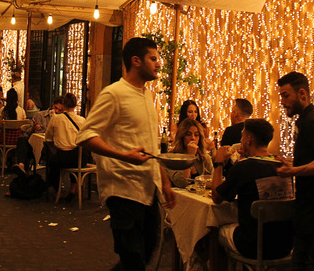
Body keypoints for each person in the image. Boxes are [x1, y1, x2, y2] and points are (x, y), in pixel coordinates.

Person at [77, 37, 176, 270]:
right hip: (122, 188)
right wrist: (123, 155)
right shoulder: (114, 94)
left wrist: (165, 181)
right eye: (153, 58)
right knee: (133, 258)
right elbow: (85, 135)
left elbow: (151, 145)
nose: (159, 64)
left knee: (148, 249)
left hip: (148, 189)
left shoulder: (148, 96)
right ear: (136, 61)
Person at [275, 71, 314, 271]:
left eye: (286, 95)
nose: (283, 102)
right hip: (313, 203)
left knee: (303, 262)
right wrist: (293, 164)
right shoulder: (305, 120)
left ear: (302, 93)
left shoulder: (312, 122)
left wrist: (294, 170)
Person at [211, 119, 294, 260]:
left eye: (242, 136)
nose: (241, 140)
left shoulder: (244, 167)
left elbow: (217, 197)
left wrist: (218, 162)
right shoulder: (283, 165)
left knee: (214, 229)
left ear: (249, 139)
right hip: (286, 245)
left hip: (253, 246)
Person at [44, 93, 86, 198]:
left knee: (52, 163)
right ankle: (73, 187)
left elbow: (48, 138)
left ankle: (57, 189)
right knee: (78, 155)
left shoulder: (56, 119)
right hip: (79, 158)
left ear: (64, 104)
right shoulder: (82, 120)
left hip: (62, 157)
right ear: (75, 105)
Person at [12, 97, 64, 173]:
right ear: (53, 105)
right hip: (35, 145)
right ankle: (21, 165)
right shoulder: (40, 115)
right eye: (55, 108)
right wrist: (33, 129)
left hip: (51, 148)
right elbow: (26, 134)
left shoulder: (63, 120)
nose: (56, 111)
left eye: (60, 110)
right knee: (22, 140)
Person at [166, 118, 213, 188]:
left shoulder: (205, 157)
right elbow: (180, 183)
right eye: (188, 134)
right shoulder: (172, 158)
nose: (193, 138)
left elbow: (213, 181)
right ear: (182, 137)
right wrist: (190, 156)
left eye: (196, 135)